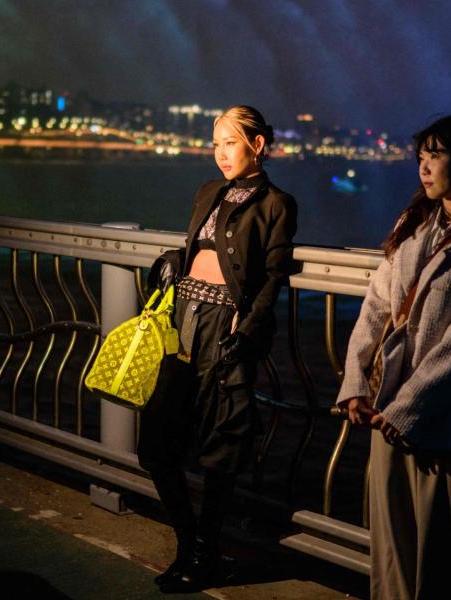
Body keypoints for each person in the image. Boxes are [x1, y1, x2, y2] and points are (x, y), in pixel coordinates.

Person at [337, 113, 451, 600]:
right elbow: (377, 305)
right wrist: (355, 382)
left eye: (436, 155)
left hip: (450, 422)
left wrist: (408, 406)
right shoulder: (415, 222)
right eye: (421, 156)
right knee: (394, 549)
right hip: (387, 412)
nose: (424, 166)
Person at [138, 105, 298, 593]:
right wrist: (172, 261)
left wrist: (247, 330)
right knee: (157, 443)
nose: (220, 153)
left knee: (221, 447)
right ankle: (193, 545)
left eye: (230, 142)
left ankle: (202, 552)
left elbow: (273, 277)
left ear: (257, 145)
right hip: (182, 322)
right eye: (215, 144)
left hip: (227, 329)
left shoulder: (277, 204)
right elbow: (196, 252)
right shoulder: (207, 192)